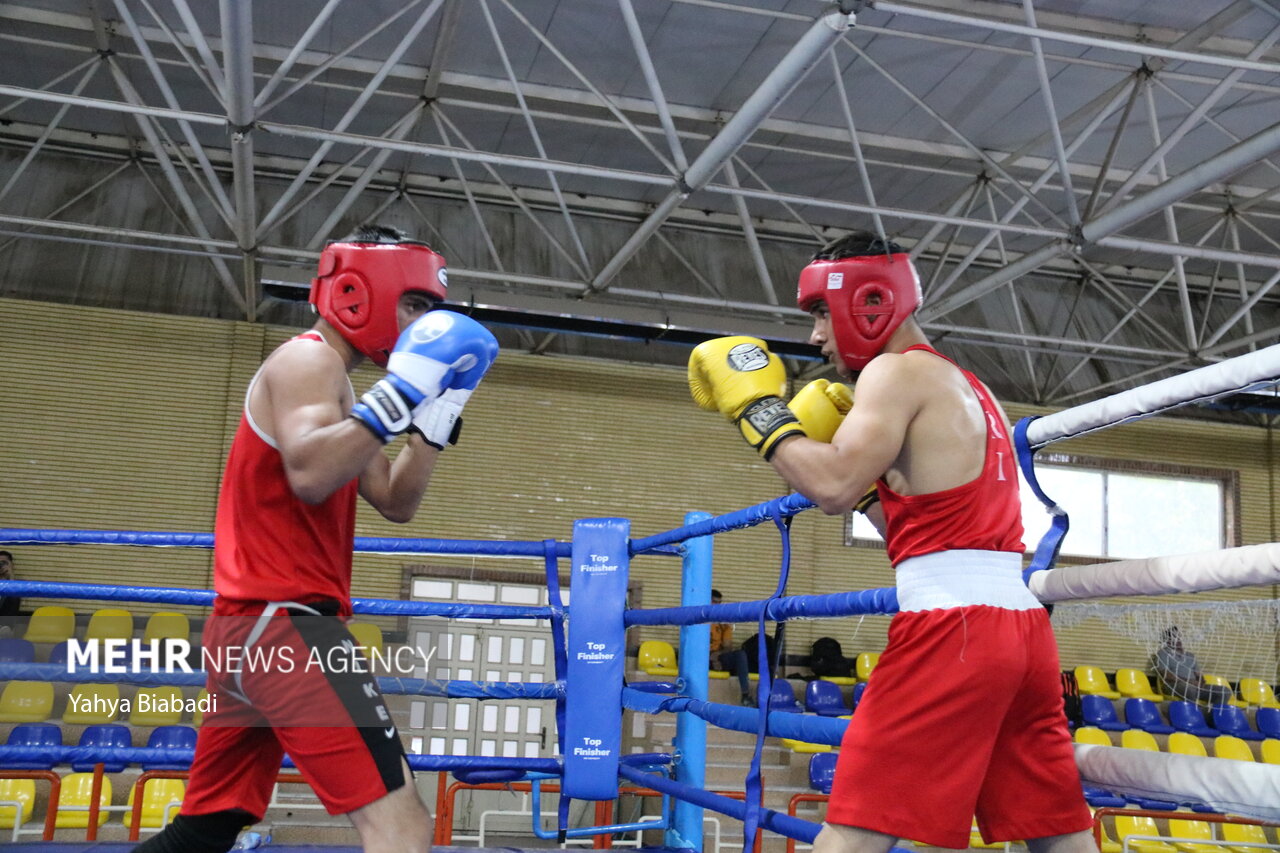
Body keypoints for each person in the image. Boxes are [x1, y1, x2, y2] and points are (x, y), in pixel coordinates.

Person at [687, 231, 1095, 853]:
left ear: (868, 303)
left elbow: (831, 485)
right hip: (1022, 633)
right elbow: (927, 528)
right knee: (1056, 832)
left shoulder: (893, 373)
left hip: (953, 632)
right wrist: (873, 492)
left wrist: (759, 408)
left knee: (852, 830)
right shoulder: (970, 386)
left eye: (821, 313)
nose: (815, 337)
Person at [133, 224, 499, 853]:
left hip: (249, 630)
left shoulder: (342, 390)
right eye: (414, 304)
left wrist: (436, 418)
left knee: (207, 827)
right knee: (403, 824)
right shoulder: (308, 360)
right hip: (288, 628)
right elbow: (309, 473)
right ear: (359, 292)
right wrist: (401, 393)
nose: (422, 324)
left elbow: (395, 500)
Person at [1151, 625, 1233, 707]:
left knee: (1224, 691)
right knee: (1189, 689)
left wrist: (1201, 682)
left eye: (1179, 637)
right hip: (1174, 685)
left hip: (1194, 686)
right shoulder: (1163, 653)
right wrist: (1189, 682)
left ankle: (1213, 713)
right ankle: (1194, 713)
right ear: (1168, 641)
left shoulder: (1190, 656)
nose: (1179, 640)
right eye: (1175, 638)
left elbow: (1199, 674)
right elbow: (1166, 675)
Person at [709, 589, 752, 705]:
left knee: (740, 655)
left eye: (719, 603)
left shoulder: (723, 622)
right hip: (701, 657)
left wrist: (717, 655)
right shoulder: (698, 617)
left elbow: (728, 646)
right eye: (714, 602)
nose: (717, 606)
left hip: (717, 655)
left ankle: (746, 695)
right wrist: (710, 658)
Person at [0, 550, 20, 638]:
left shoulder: (12, 583)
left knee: (14, 596)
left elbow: (14, 590)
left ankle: (5, 628)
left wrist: (10, 573)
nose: (0, 565)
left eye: (4, 563)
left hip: (3, 624)